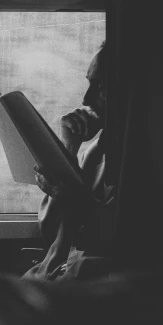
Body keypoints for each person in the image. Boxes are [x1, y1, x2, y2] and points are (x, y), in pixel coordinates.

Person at [23, 41, 117, 280]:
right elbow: (51, 231)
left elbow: (117, 236)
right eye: (89, 84)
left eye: (101, 87)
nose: (86, 99)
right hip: (51, 277)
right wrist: (68, 149)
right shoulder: (95, 151)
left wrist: (71, 195)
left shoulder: (148, 160)